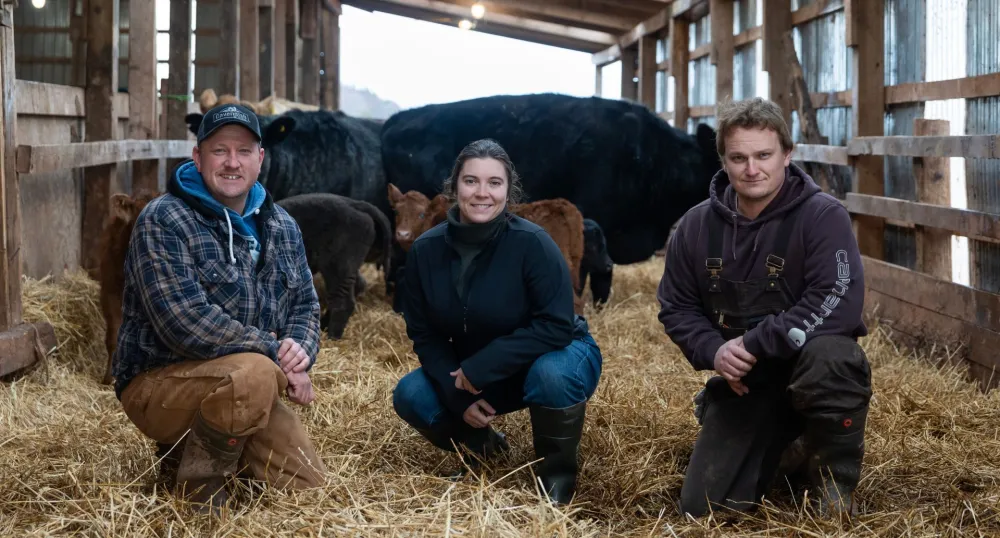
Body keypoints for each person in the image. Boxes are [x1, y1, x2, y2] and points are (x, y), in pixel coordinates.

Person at [656, 97, 872, 517]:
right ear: (723, 159)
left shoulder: (822, 216)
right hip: (745, 380)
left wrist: (754, 343)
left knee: (834, 357)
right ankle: (789, 450)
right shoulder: (696, 226)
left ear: (787, 155)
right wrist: (714, 352)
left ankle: (834, 482)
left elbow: (837, 299)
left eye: (763, 155)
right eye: (738, 157)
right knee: (703, 508)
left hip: (806, 366)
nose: (751, 169)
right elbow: (677, 306)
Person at [112, 103, 327, 514]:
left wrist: (300, 350)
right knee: (256, 373)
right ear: (197, 156)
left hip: (248, 385)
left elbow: (304, 303)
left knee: (309, 488)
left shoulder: (281, 224)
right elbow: (185, 322)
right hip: (160, 383)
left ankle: (197, 451)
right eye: (219, 151)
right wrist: (274, 352)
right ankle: (197, 490)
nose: (232, 163)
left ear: (260, 159)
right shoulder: (164, 219)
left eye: (244, 151)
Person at [391, 139, 603, 505]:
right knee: (411, 394)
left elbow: (555, 326)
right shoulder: (426, 250)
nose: (482, 193)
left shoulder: (533, 243)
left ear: (509, 189)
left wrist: (480, 367)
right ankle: (485, 450)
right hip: (478, 370)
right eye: (471, 181)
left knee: (551, 376)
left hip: (558, 353)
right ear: (454, 186)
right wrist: (457, 395)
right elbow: (424, 333)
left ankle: (556, 478)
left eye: (494, 182)